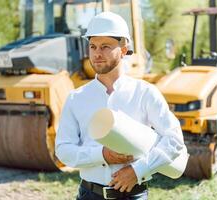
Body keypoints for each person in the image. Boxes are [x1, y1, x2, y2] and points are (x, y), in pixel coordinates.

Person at [55, 11, 185, 200]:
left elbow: (174, 140)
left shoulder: (145, 93)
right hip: (89, 195)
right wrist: (102, 155)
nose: (97, 53)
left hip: (133, 195)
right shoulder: (76, 98)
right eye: (93, 46)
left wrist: (137, 170)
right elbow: (63, 150)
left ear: (124, 50)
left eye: (106, 46)